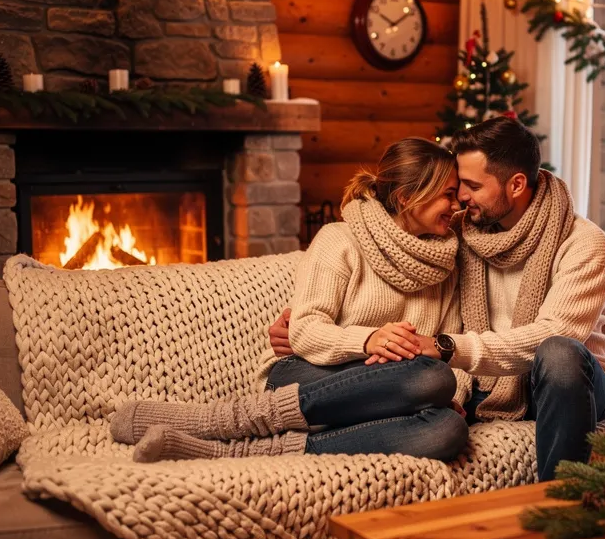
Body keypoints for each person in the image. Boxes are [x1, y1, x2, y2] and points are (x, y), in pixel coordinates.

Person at [271, 117, 605, 481]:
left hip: (566, 383)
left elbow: (544, 335)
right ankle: (273, 429)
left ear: (516, 184)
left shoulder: (582, 242)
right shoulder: (455, 235)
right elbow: (321, 317)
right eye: (455, 189)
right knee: (433, 387)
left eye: (470, 186)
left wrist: (447, 353)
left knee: (555, 353)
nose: (460, 200)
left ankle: (561, 508)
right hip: (480, 381)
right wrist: (304, 330)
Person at [111, 138, 470, 463]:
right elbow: (305, 331)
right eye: (447, 194)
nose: (456, 205)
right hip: (305, 373)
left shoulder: (447, 266)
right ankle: (217, 421)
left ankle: (243, 449)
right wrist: (368, 340)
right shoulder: (340, 239)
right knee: (430, 379)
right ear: (408, 196)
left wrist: (456, 398)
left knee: (445, 429)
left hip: (388, 390)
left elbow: (449, 347)